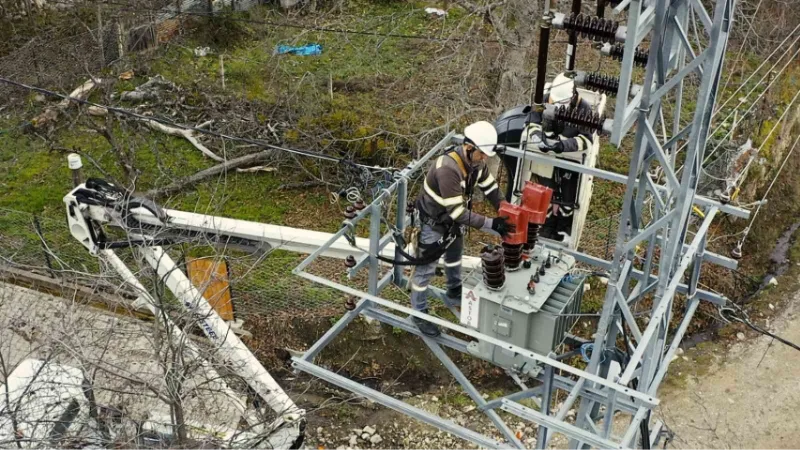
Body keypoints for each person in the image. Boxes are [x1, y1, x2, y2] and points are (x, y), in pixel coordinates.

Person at [410, 120, 515, 337]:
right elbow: (457, 212)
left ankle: (454, 290)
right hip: (434, 222)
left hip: (451, 222)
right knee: (425, 269)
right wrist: (492, 224)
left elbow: (492, 189)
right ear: (469, 147)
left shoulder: (476, 165)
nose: (485, 158)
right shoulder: (448, 169)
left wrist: (505, 211)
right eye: (482, 154)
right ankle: (418, 314)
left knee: (455, 256)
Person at [500, 73, 594, 243]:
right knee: (545, 191)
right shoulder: (544, 100)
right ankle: (547, 225)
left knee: (568, 196)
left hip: (570, 160)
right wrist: (539, 139)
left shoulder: (584, 110)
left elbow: (586, 140)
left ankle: (563, 227)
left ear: (571, 98)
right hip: (546, 158)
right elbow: (530, 124)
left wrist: (564, 146)